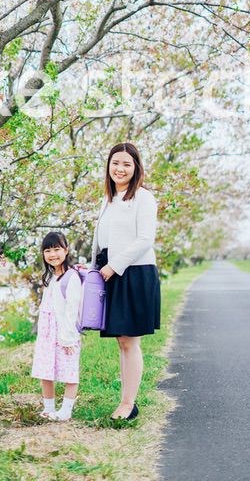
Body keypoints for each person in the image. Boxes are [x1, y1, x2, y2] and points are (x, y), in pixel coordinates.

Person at [90, 141, 161, 421]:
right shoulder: (108, 199)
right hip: (111, 270)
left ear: (136, 168)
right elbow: (104, 240)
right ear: (108, 166)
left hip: (134, 272)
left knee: (130, 342)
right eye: (115, 163)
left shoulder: (143, 198)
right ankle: (126, 401)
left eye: (126, 164)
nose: (120, 169)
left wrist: (113, 267)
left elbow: (145, 240)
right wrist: (95, 265)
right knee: (122, 341)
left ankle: (128, 404)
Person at [31, 231, 82, 421]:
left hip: (64, 333)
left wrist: (68, 338)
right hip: (47, 333)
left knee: (69, 371)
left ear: (66, 250)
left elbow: (72, 311)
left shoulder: (72, 277)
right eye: (47, 250)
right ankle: (49, 409)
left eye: (57, 249)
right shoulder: (51, 277)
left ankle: (66, 410)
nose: (52, 254)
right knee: (46, 371)